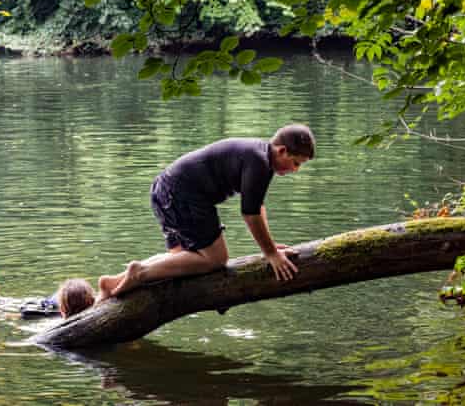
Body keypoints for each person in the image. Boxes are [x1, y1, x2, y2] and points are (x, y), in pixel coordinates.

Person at [98, 123, 315, 300]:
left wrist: (270, 246)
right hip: (183, 194)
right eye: (295, 163)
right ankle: (140, 272)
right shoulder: (259, 162)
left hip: (164, 189)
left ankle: (113, 283)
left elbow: (257, 206)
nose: (295, 170)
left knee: (186, 260)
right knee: (216, 260)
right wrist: (271, 254)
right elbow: (250, 214)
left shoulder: (259, 158)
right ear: (282, 150)